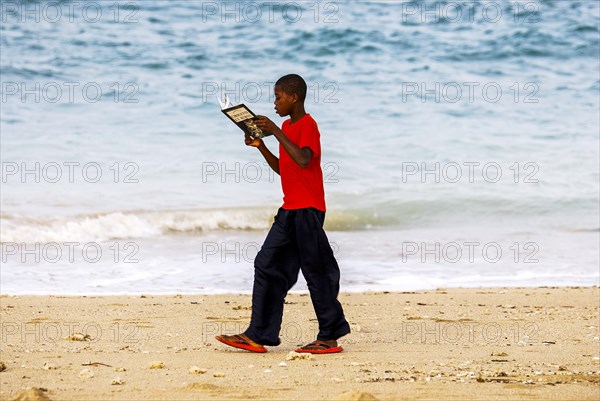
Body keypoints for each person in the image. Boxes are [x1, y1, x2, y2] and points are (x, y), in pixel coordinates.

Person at [215, 74, 351, 354]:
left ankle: (330, 336)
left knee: (317, 272)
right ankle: (258, 334)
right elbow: (284, 167)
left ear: (294, 97)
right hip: (289, 209)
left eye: (278, 97)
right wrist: (261, 145)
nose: (274, 102)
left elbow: (303, 159)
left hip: (309, 209)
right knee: (267, 264)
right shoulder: (288, 126)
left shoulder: (307, 125)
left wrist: (276, 131)